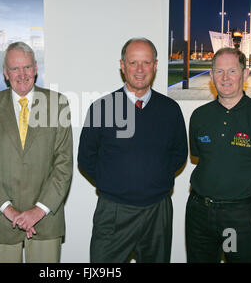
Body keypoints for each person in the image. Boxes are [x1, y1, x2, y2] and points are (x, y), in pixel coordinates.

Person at [78, 37, 188, 262]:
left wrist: (155, 180)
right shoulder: (102, 108)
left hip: (158, 211)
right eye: (133, 63)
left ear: (155, 66)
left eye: (146, 63)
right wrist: (114, 184)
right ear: (122, 65)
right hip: (113, 211)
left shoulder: (170, 110)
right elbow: (86, 158)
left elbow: (179, 154)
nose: (140, 69)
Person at [186, 47, 251, 263]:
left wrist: (238, 197)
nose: (225, 78)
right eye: (219, 71)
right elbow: (201, 159)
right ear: (211, 75)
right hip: (199, 216)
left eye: (232, 71)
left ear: (245, 74)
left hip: (236, 219)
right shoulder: (199, 117)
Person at [0, 42, 73, 263]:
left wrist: (38, 211)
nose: (22, 74)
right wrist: (10, 211)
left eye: (27, 67)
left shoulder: (57, 104)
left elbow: (63, 164)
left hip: (46, 220)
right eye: (15, 69)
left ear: (36, 69)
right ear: (6, 73)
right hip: (1, 221)